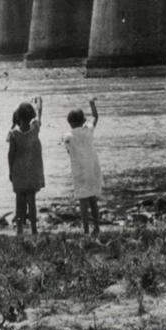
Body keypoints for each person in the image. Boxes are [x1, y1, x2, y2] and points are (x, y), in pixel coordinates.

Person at [64, 98, 102, 235]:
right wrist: (92, 104)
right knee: (93, 200)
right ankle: (97, 227)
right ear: (83, 121)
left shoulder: (68, 136)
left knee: (83, 202)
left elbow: (68, 150)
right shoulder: (89, 130)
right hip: (92, 170)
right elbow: (95, 117)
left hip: (79, 172)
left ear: (70, 123)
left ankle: (85, 229)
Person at [7, 97, 44, 237]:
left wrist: (10, 171)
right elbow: (40, 113)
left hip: (18, 170)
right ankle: (34, 228)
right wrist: (39, 103)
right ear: (31, 116)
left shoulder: (14, 134)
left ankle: (19, 229)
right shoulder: (35, 129)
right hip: (33, 170)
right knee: (32, 201)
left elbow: (10, 154)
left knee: (19, 201)